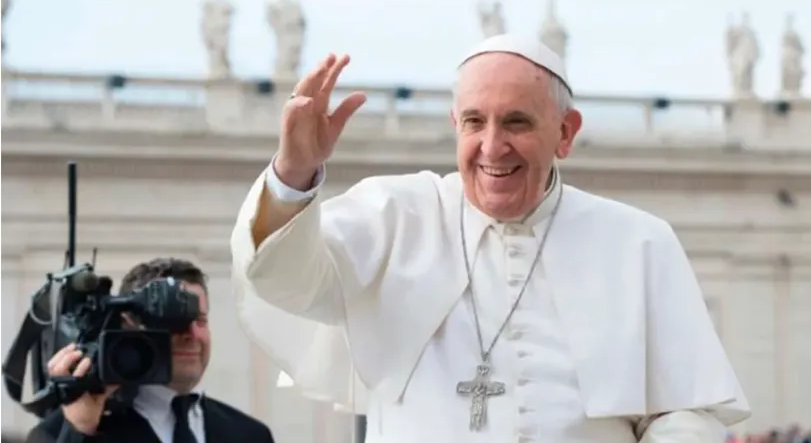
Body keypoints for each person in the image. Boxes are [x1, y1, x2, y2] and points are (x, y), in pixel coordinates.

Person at [230, 34, 751, 442]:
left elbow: (689, 408)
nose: (492, 147)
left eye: (517, 123)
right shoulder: (392, 215)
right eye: (475, 122)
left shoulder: (639, 243)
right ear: (456, 123)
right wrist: (293, 174)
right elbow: (282, 279)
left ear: (565, 132)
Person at [27, 258, 275, 443]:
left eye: (200, 320)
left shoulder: (250, 435)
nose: (191, 334)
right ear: (130, 326)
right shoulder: (61, 432)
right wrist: (79, 431)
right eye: (175, 321)